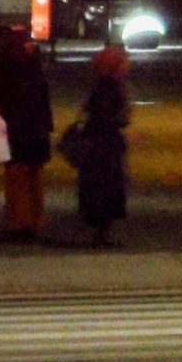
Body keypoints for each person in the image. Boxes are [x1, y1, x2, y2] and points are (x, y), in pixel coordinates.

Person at [0, 26, 54, 241]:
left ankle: (18, 221)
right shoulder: (33, 64)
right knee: (34, 175)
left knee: (17, 176)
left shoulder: (4, 65)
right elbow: (43, 95)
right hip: (36, 125)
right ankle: (35, 219)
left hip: (17, 125)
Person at [76, 42, 132, 247]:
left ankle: (98, 228)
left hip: (98, 141)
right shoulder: (110, 86)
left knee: (97, 186)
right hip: (105, 143)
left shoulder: (101, 84)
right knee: (106, 186)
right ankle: (101, 230)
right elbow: (114, 116)